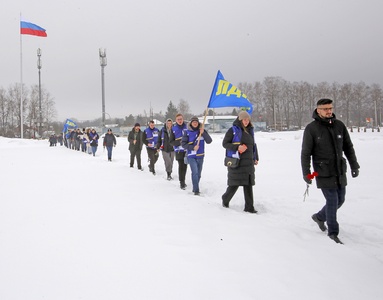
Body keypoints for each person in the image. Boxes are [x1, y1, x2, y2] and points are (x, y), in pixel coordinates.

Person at [301, 98, 360, 244]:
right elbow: (305, 153)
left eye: (330, 108)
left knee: (341, 199)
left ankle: (319, 217)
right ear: (318, 110)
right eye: (326, 109)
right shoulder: (311, 128)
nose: (329, 111)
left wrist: (354, 165)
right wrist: (306, 173)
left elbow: (348, 147)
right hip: (323, 171)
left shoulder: (339, 125)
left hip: (339, 170)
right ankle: (333, 232)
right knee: (332, 201)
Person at [222, 111, 259, 213]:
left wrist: (255, 157)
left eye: (248, 120)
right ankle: (225, 199)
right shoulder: (233, 130)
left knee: (248, 184)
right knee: (234, 184)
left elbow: (253, 145)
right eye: (244, 120)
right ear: (240, 120)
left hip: (248, 162)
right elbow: (225, 143)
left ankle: (249, 207)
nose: (246, 122)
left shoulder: (250, 130)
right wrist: (237, 147)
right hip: (237, 162)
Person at [181, 116, 212, 195]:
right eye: (193, 122)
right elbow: (183, 144)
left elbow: (209, 141)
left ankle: (195, 185)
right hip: (191, 155)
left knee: (199, 174)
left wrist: (203, 133)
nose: (195, 123)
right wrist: (192, 147)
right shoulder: (187, 132)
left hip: (200, 155)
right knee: (194, 172)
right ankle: (196, 190)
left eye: (196, 122)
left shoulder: (202, 131)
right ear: (191, 123)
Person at [169, 113, 188, 189]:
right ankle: (182, 182)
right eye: (178, 119)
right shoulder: (173, 129)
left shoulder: (187, 127)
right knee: (181, 166)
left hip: (186, 150)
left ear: (183, 119)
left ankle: (183, 180)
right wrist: (178, 142)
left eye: (181, 119)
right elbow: (171, 141)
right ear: (176, 120)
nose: (180, 120)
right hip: (179, 150)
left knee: (185, 165)